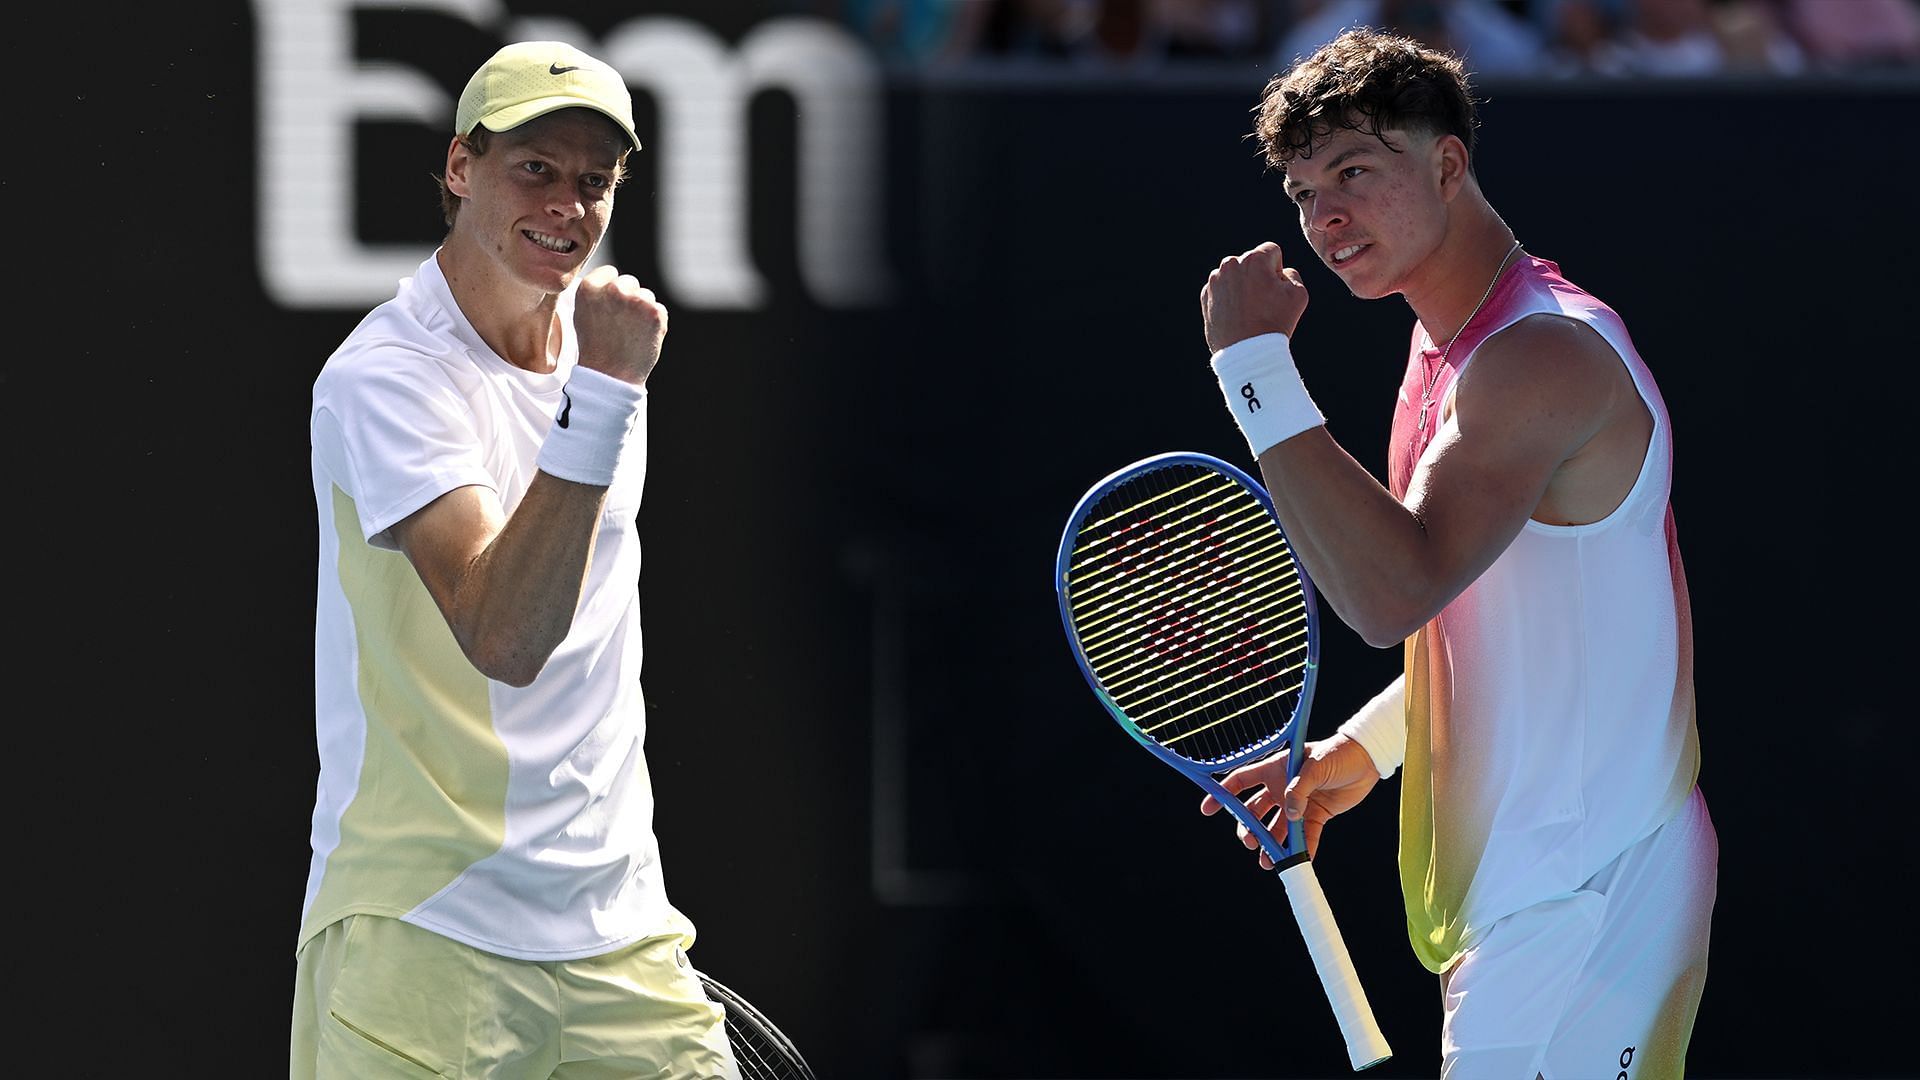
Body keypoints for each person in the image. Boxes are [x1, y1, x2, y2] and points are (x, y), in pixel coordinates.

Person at [1194, 28, 1716, 1078]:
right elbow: (1505, 628)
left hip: (1586, 901)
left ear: (1446, 164)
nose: (1325, 215)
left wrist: (1252, 369)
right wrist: (1366, 752)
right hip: (1542, 906)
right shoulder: (1451, 349)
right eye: (1302, 191)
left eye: (1354, 171)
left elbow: (1391, 594)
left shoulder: (1537, 356)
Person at [293, 40, 738, 1079]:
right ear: (461, 168)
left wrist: (602, 388)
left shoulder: (596, 354)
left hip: (619, 930)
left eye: (595, 182)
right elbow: (506, 636)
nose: (569, 206)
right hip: (426, 929)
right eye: (534, 169)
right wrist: (608, 401)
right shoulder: (387, 377)